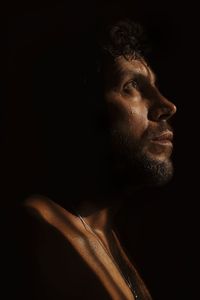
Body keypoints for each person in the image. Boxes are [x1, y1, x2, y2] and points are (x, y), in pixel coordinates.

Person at [11, 19, 176, 300]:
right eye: (131, 87)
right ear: (82, 108)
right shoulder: (40, 229)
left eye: (155, 86)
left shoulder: (104, 234)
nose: (166, 106)